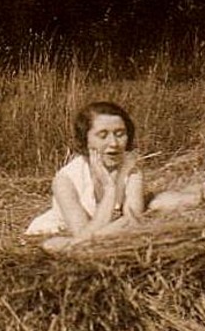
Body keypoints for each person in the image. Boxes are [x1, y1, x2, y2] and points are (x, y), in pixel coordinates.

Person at [24, 101, 146, 249]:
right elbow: (83, 238)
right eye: (103, 135)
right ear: (85, 140)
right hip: (58, 235)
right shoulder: (65, 180)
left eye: (120, 134)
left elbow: (133, 219)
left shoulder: (131, 170)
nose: (114, 143)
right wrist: (110, 189)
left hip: (97, 240)